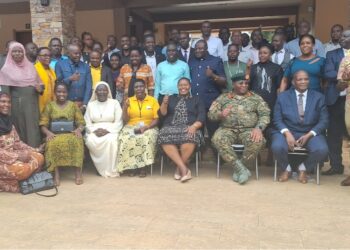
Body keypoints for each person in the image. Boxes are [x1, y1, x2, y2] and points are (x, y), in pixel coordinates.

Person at [208, 75, 270, 184]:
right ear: (233, 84)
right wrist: (220, 115)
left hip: (249, 130)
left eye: (246, 83)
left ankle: (240, 168)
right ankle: (240, 169)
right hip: (227, 129)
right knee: (218, 139)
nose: (244, 85)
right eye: (240, 83)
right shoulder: (223, 98)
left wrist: (259, 128)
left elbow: (265, 115)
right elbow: (210, 115)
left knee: (257, 141)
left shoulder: (256, 98)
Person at [271, 70, 329, 184]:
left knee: (322, 149)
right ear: (293, 82)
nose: (303, 82)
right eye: (300, 79)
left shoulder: (319, 97)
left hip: (309, 131)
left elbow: (324, 120)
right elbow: (277, 119)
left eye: (306, 79)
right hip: (288, 130)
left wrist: (309, 134)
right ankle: (286, 169)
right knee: (277, 146)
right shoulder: (283, 97)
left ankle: (303, 169)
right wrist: (287, 134)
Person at [158, 78, 205, 182]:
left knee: (190, 135)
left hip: (189, 126)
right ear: (177, 87)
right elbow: (162, 115)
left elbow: (202, 116)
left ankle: (179, 168)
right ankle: (183, 168)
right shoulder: (170, 98)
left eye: (185, 85)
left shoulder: (197, 99)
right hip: (170, 127)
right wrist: (164, 103)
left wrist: (194, 126)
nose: (183, 87)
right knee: (163, 134)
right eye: (181, 85)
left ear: (190, 86)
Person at [39, 82, 85, 186]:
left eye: (64, 92)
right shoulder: (49, 106)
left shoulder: (73, 105)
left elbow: (81, 122)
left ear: (67, 93)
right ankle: (56, 175)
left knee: (78, 141)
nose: (61, 94)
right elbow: (43, 124)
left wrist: (78, 130)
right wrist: (48, 133)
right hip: (54, 134)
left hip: (71, 134)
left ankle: (78, 173)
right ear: (55, 93)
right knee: (51, 144)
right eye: (59, 91)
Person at [0, 42, 43, 147]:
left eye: (20, 51)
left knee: (33, 129)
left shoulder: (31, 67)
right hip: (17, 106)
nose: (17, 54)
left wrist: (40, 88)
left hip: (32, 105)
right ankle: (23, 157)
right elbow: (5, 94)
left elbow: (40, 85)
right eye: (14, 51)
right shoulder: (6, 70)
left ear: (24, 53)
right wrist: (6, 110)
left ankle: (36, 155)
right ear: (10, 53)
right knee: (21, 129)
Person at [0, 92, 44, 193]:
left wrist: (35, 150)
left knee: (39, 157)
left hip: (13, 157)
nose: (6, 105)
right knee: (22, 169)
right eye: (2, 101)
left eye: (8, 102)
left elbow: (17, 143)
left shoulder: (8, 122)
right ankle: (12, 182)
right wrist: (16, 156)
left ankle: (19, 180)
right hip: (4, 160)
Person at [117, 79, 159, 177]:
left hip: (149, 126)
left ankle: (143, 167)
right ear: (133, 89)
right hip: (131, 126)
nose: (139, 89)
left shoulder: (153, 100)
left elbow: (157, 119)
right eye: (136, 87)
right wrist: (124, 108)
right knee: (126, 139)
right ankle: (131, 166)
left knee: (145, 138)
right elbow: (125, 120)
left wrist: (147, 127)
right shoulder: (129, 100)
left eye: (141, 86)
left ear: (145, 88)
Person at [323, 30, 350, 177]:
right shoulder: (332, 54)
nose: (341, 38)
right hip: (336, 100)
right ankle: (336, 166)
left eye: (346, 36)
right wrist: (341, 78)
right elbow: (327, 72)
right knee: (334, 135)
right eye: (342, 36)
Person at [188, 40, 226, 138]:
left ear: (206, 49)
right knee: (196, 131)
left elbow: (224, 82)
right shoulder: (191, 61)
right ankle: (200, 150)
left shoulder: (215, 60)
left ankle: (214, 151)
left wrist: (213, 75)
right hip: (195, 102)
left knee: (213, 130)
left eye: (200, 48)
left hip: (210, 102)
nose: (197, 50)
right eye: (196, 48)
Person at [84, 82, 123, 178]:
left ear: (108, 91)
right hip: (94, 130)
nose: (102, 92)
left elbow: (119, 121)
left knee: (112, 141)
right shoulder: (91, 105)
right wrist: (94, 131)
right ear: (96, 92)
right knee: (90, 140)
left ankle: (111, 169)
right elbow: (87, 122)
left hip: (111, 130)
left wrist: (107, 130)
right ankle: (100, 168)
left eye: (104, 90)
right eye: (99, 90)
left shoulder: (115, 103)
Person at [55, 44, 92, 113]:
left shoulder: (85, 66)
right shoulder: (59, 65)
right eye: (75, 53)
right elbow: (57, 85)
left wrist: (84, 104)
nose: (78, 55)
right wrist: (70, 79)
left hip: (82, 105)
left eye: (79, 53)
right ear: (68, 53)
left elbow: (88, 87)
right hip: (65, 104)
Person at [249, 44, 283, 111]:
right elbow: (248, 84)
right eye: (260, 53)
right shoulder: (253, 68)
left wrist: (279, 102)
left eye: (265, 53)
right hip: (255, 102)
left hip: (271, 102)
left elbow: (279, 88)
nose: (262, 55)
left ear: (270, 54)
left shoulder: (277, 68)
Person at [35, 47, 57, 113]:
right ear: (38, 57)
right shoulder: (34, 70)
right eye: (45, 55)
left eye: (50, 55)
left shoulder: (51, 70)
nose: (48, 57)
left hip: (52, 105)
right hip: (39, 106)